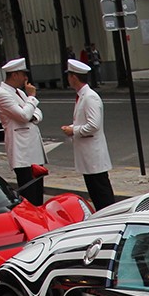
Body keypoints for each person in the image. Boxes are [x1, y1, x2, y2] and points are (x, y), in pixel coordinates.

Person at [61, 59, 115, 210]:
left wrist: (73, 130)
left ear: (73, 77)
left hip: (94, 156)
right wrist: (72, 127)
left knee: (102, 195)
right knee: (96, 192)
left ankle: (110, 220)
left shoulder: (90, 97)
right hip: (88, 156)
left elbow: (94, 125)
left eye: (69, 76)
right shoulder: (82, 96)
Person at [0, 57, 46, 205]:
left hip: (32, 151)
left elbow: (37, 113)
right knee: (30, 194)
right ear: (14, 75)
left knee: (38, 192)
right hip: (22, 153)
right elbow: (23, 116)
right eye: (23, 74)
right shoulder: (2, 95)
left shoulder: (19, 93)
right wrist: (32, 98)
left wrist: (31, 114)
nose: (26, 78)